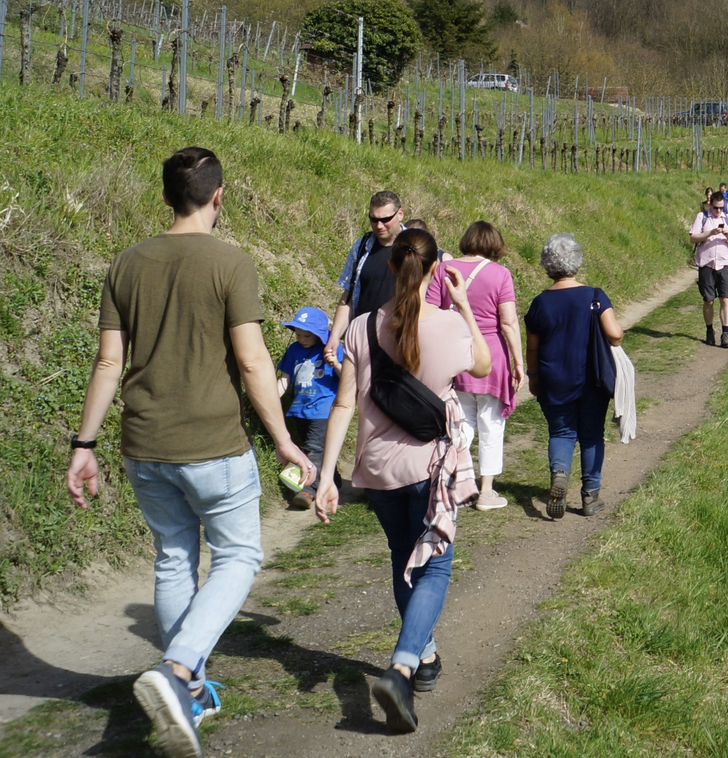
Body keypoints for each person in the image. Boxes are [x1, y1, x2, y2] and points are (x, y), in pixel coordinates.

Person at [67, 147, 314, 758]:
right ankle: (178, 672)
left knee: (174, 559)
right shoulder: (230, 262)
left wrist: (84, 444)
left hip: (144, 445)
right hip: (214, 446)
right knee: (238, 556)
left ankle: (191, 691)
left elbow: (108, 362)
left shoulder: (126, 263)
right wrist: (284, 441)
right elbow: (253, 362)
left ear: (166, 197)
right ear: (218, 196)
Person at [315, 227, 489, 735]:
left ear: (391, 267)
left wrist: (327, 476)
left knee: (401, 557)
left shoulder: (361, 327)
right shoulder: (449, 325)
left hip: (377, 471)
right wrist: (462, 304)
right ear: (436, 269)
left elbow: (343, 404)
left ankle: (425, 654)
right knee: (435, 566)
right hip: (430, 469)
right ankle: (403, 667)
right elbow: (482, 364)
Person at [524, 234, 624, 519]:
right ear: (576, 261)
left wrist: (533, 377)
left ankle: (559, 475)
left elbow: (532, 347)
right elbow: (615, 334)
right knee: (592, 435)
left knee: (561, 433)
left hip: (553, 378)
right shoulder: (595, 297)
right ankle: (590, 497)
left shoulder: (540, 303)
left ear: (547, 264)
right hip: (591, 378)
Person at [425, 221, 523, 511]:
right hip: (491, 355)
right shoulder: (500, 274)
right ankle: (486, 492)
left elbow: (431, 311)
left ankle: (456, 484)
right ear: (495, 244)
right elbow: (508, 322)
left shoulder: (444, 269)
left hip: (455, 353)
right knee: (491, 424)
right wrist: (519, 362)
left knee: (461, 422)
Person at [325, 190, 408, 367]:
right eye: (373, 219)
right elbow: (348, 296)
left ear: (400, 214)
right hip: (361, 339)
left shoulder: (414, 246)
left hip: (399, 342)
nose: (379, 225)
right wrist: (335, 336)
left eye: (386, 219)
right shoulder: (362, 246)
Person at [276, 305, 339, 510]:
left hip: (323, 409)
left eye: (307, 336)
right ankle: (334, 479)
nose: (301, 339)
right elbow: (285, 379)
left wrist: (336, 364)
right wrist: (271, 398)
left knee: (313, 449)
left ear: (319, 335)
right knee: (311, 447)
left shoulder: (331, 348)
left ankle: (309, 490)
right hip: (300, 409)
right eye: (298, 334)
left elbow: (347, 377)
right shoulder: (294, 350)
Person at [690, 190, 728, 345]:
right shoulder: (702, 217)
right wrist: (710, 232)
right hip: (707, 264)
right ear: (710, 205)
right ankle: (709, 330)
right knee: (709, 301)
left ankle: (725, 334)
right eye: (715, 208)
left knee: (725, 299)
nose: (718, 211)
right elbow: (693, 237)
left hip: (724, 264)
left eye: (721, 208)